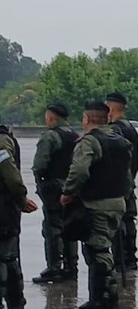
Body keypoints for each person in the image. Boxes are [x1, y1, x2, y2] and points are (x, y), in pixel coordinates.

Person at [61, 101, 131, 309]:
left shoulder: (90, 142)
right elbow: (127, 175)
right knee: (102, 247)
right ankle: (107, 297)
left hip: (96, 203)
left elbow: (79, 170)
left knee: (97, 250)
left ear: (86, 119)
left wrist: (68, 192)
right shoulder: (121, 142)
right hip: (117, 201)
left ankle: (100, 300)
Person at [31, 103, 80, 285]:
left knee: (52, 229)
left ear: (51, 117)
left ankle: (54, 267)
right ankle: (71, 266)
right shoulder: (75, 136)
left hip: (53, 188)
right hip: (72, 187)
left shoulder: (50, 136)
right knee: (70, 227)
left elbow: (40, 165)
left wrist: (41, 183)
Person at [0, 120, 38, 309]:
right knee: (9, 259)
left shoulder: (1, 142)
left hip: (4, 209)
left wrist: (21, 199)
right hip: (6, 209)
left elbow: (11, 177)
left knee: (5, 259)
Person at [104, 92, 138, 271]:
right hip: (129, 180)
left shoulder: (115, 130)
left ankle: (121, 259)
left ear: (110, 108)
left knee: (117, 222)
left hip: (117, 182)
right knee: (129, 219)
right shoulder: (130, 127)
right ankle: (130, 257)